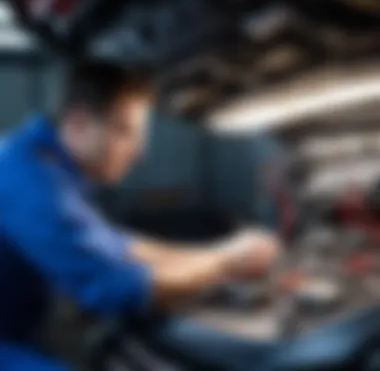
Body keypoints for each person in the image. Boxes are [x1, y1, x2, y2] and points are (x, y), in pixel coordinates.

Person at [0, 61, 280, 370]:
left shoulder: (43, 160)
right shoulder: (31, 182)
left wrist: (218, 253)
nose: (138, 151)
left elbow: (121, 246)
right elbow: (113, 286)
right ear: (78, 124)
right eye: (125, 131)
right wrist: (228, 262)